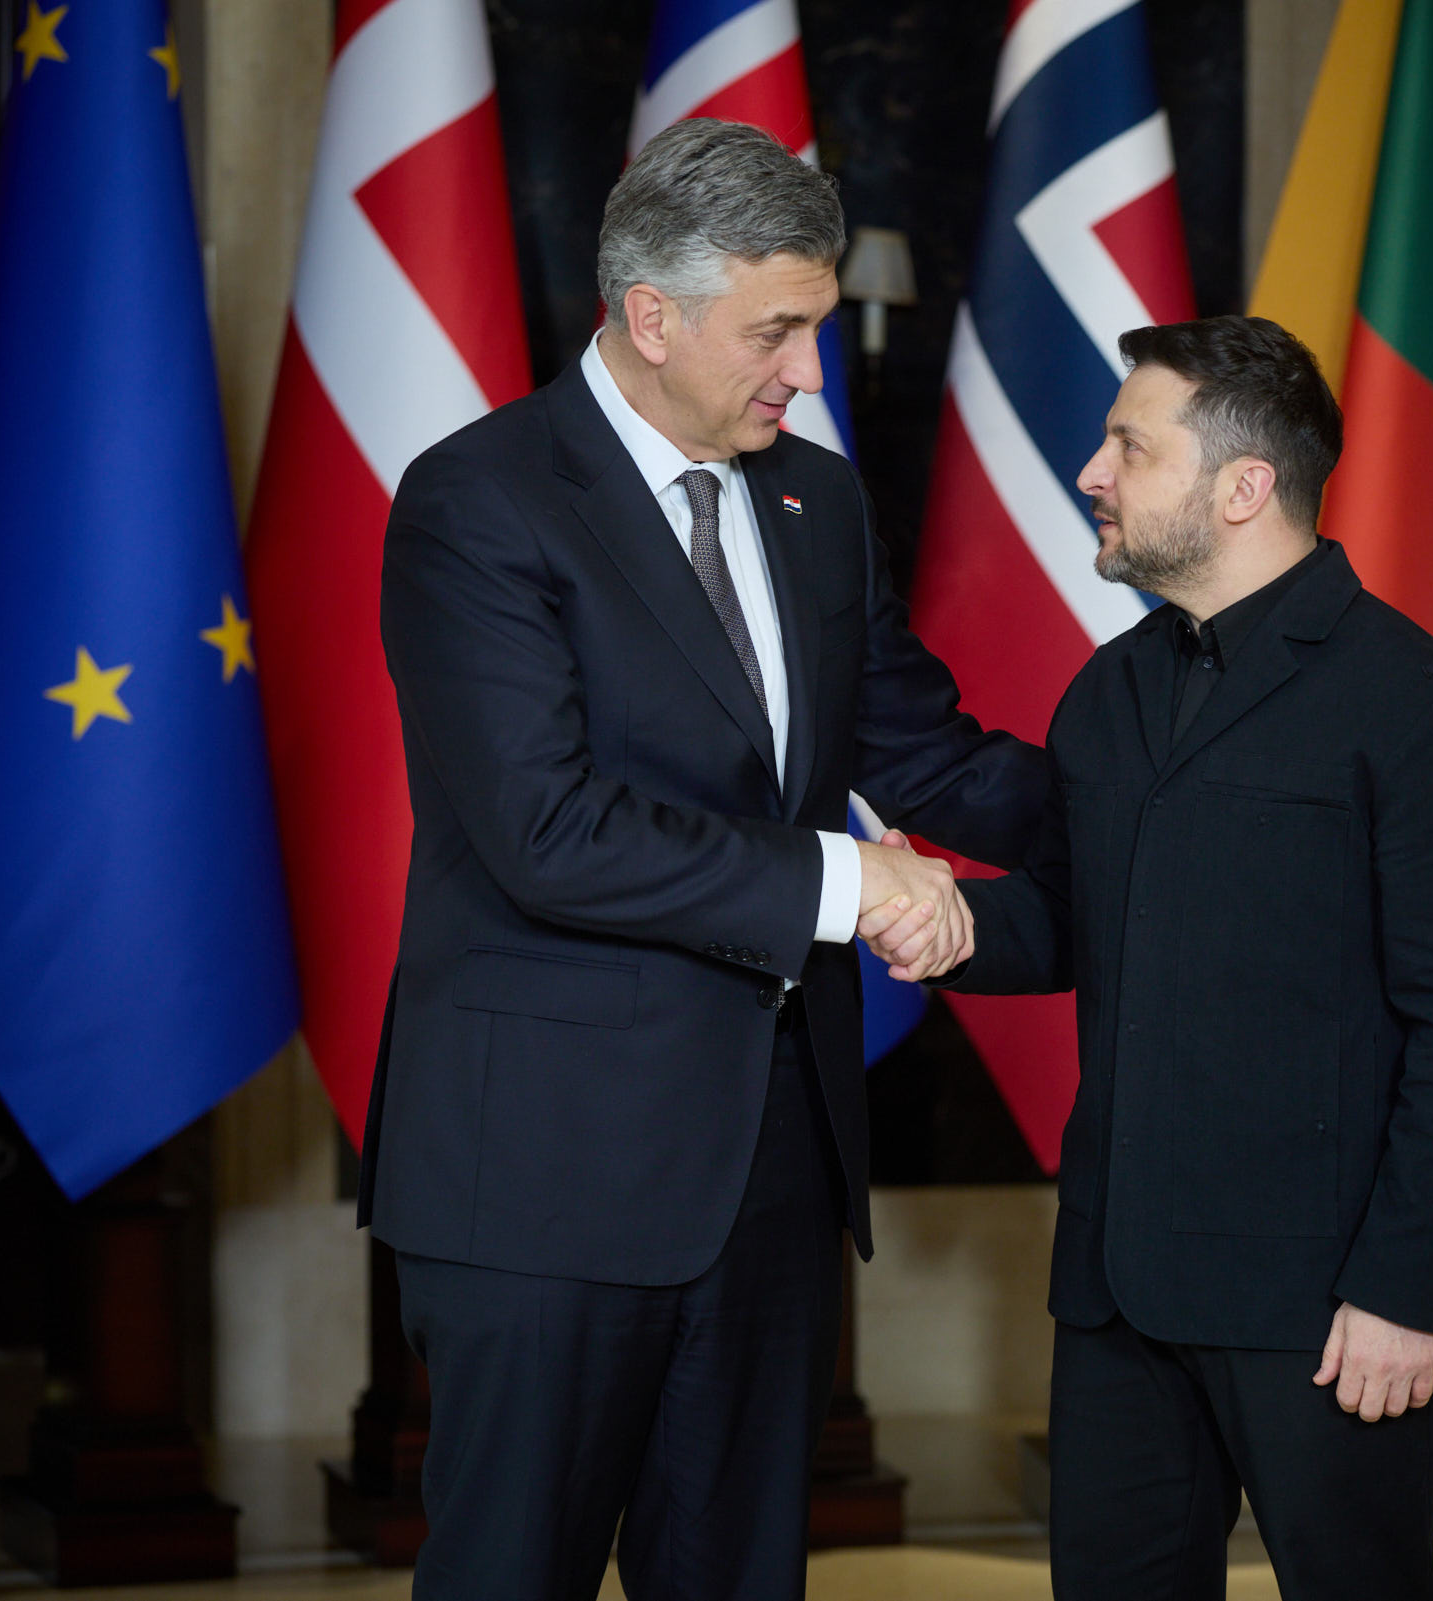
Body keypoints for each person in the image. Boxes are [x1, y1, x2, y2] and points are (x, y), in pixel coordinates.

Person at [362, 119, 1045, 1601]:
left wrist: (1167, 814)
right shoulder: (481, 500)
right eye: (776, 331)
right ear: (651, 315)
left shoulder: (816, 501)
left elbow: (922, 753)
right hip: (544, 1179)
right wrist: (848, 883)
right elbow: (548, 831)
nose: (807, 369)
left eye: (814, 325)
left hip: (773, 1172)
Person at [864, 315, 1433, 1601]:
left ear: (1243, 486)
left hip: (1323, 1306)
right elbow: (1077, 917)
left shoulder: (1420, 706)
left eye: (1130, 445)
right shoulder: (1109, 690)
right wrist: (947, 925)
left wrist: (1405, 1291)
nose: (1092, 470)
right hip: (1115, 1296)